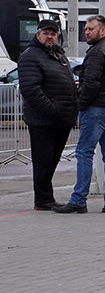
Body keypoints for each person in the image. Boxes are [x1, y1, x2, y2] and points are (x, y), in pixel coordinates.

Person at [55, 15, 105, 213]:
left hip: (96, 108)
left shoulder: (97, 53)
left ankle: (78, 199)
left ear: (103, 30)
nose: (87, 32)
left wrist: (81, 104)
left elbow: (91, 83)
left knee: (84, 152)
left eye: (91, 29)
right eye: (86, 29)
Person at [17, 19, 79, 210]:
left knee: (52, 160)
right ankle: (43, 200)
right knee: (43, 161)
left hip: (61, 120)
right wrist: (53, 110)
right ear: (38, 35)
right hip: (43, 120)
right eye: (46, 33)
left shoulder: (58, 55)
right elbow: (31, 90)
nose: (50, 36)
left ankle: (46, 198)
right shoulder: (30, 56)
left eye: (53, 33)